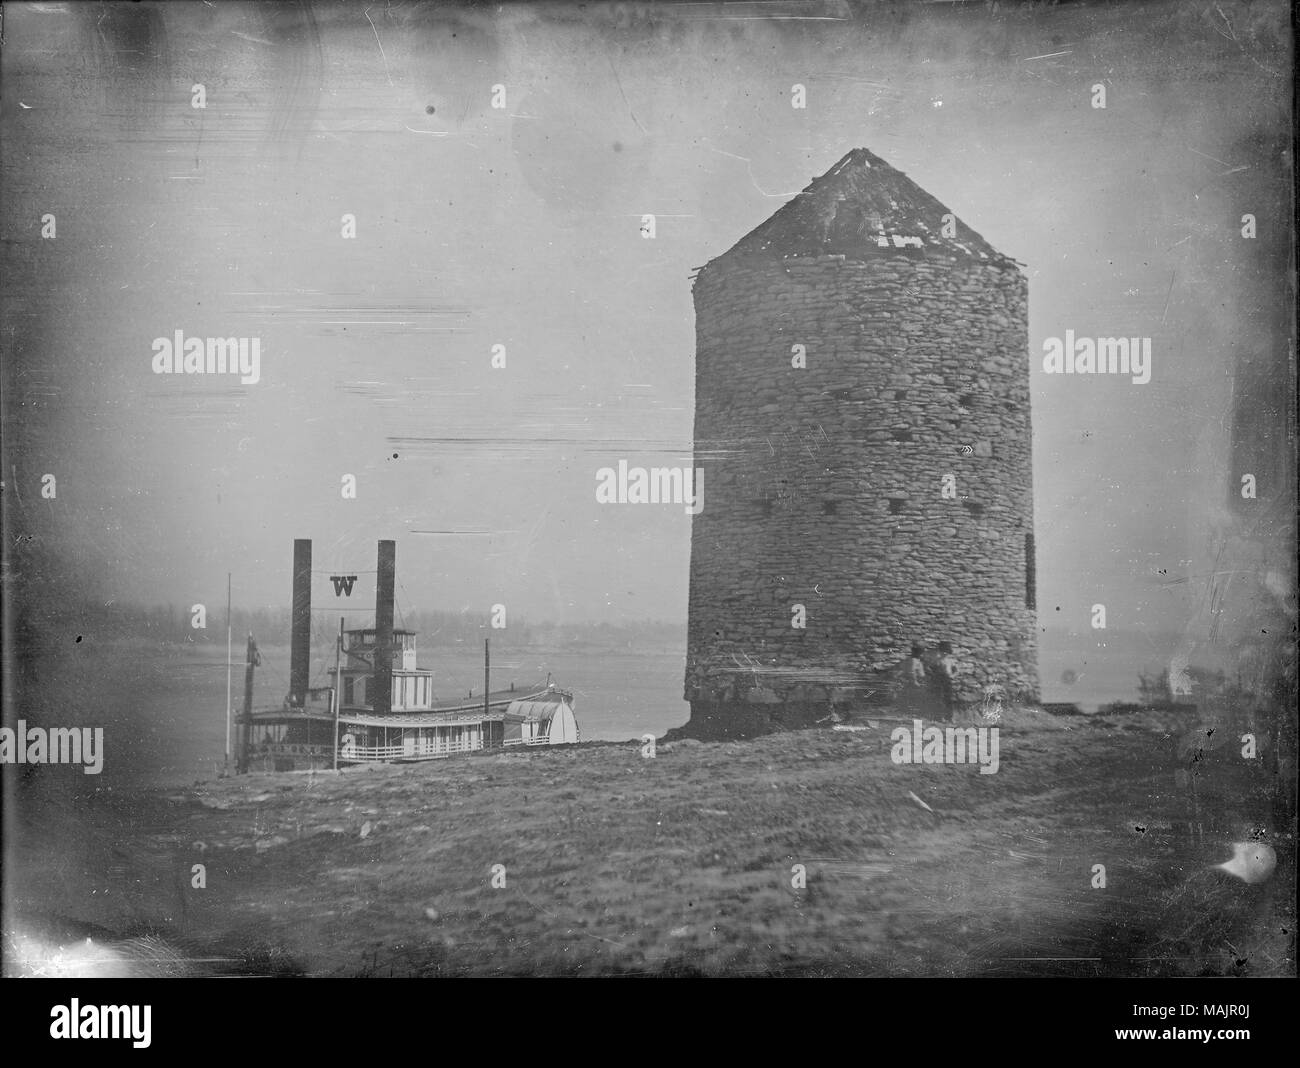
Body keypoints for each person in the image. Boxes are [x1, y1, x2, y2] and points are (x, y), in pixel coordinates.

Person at [932, 640, 959, 721]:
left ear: (949, 652)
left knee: (949, 698)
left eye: (946, 652)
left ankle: (950, 717)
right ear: (940, 651)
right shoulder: (937, 660)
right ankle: (940, 717)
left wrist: (952, 676)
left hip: (948, 679)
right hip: (939, 679)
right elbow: (932, 669)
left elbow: (957, 670)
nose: (944, 653)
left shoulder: (950, 661)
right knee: (940, 697)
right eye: (943, 651)